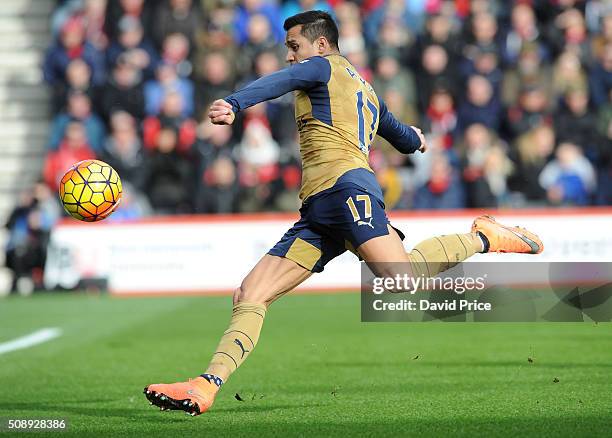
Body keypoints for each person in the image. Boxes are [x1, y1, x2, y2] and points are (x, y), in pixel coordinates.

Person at [144, 11, 544, 416]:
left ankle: (483, 237)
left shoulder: (321, 66)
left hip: (347, 189)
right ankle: (205, 385)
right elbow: (401, 136)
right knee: (250, 294)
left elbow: (280, 82)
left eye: (293, 46)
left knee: (400, 279)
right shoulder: (366, 89)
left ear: (320, 45)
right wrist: (417, 140)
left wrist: (234, 102)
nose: (289, 57)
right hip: (320, 208)